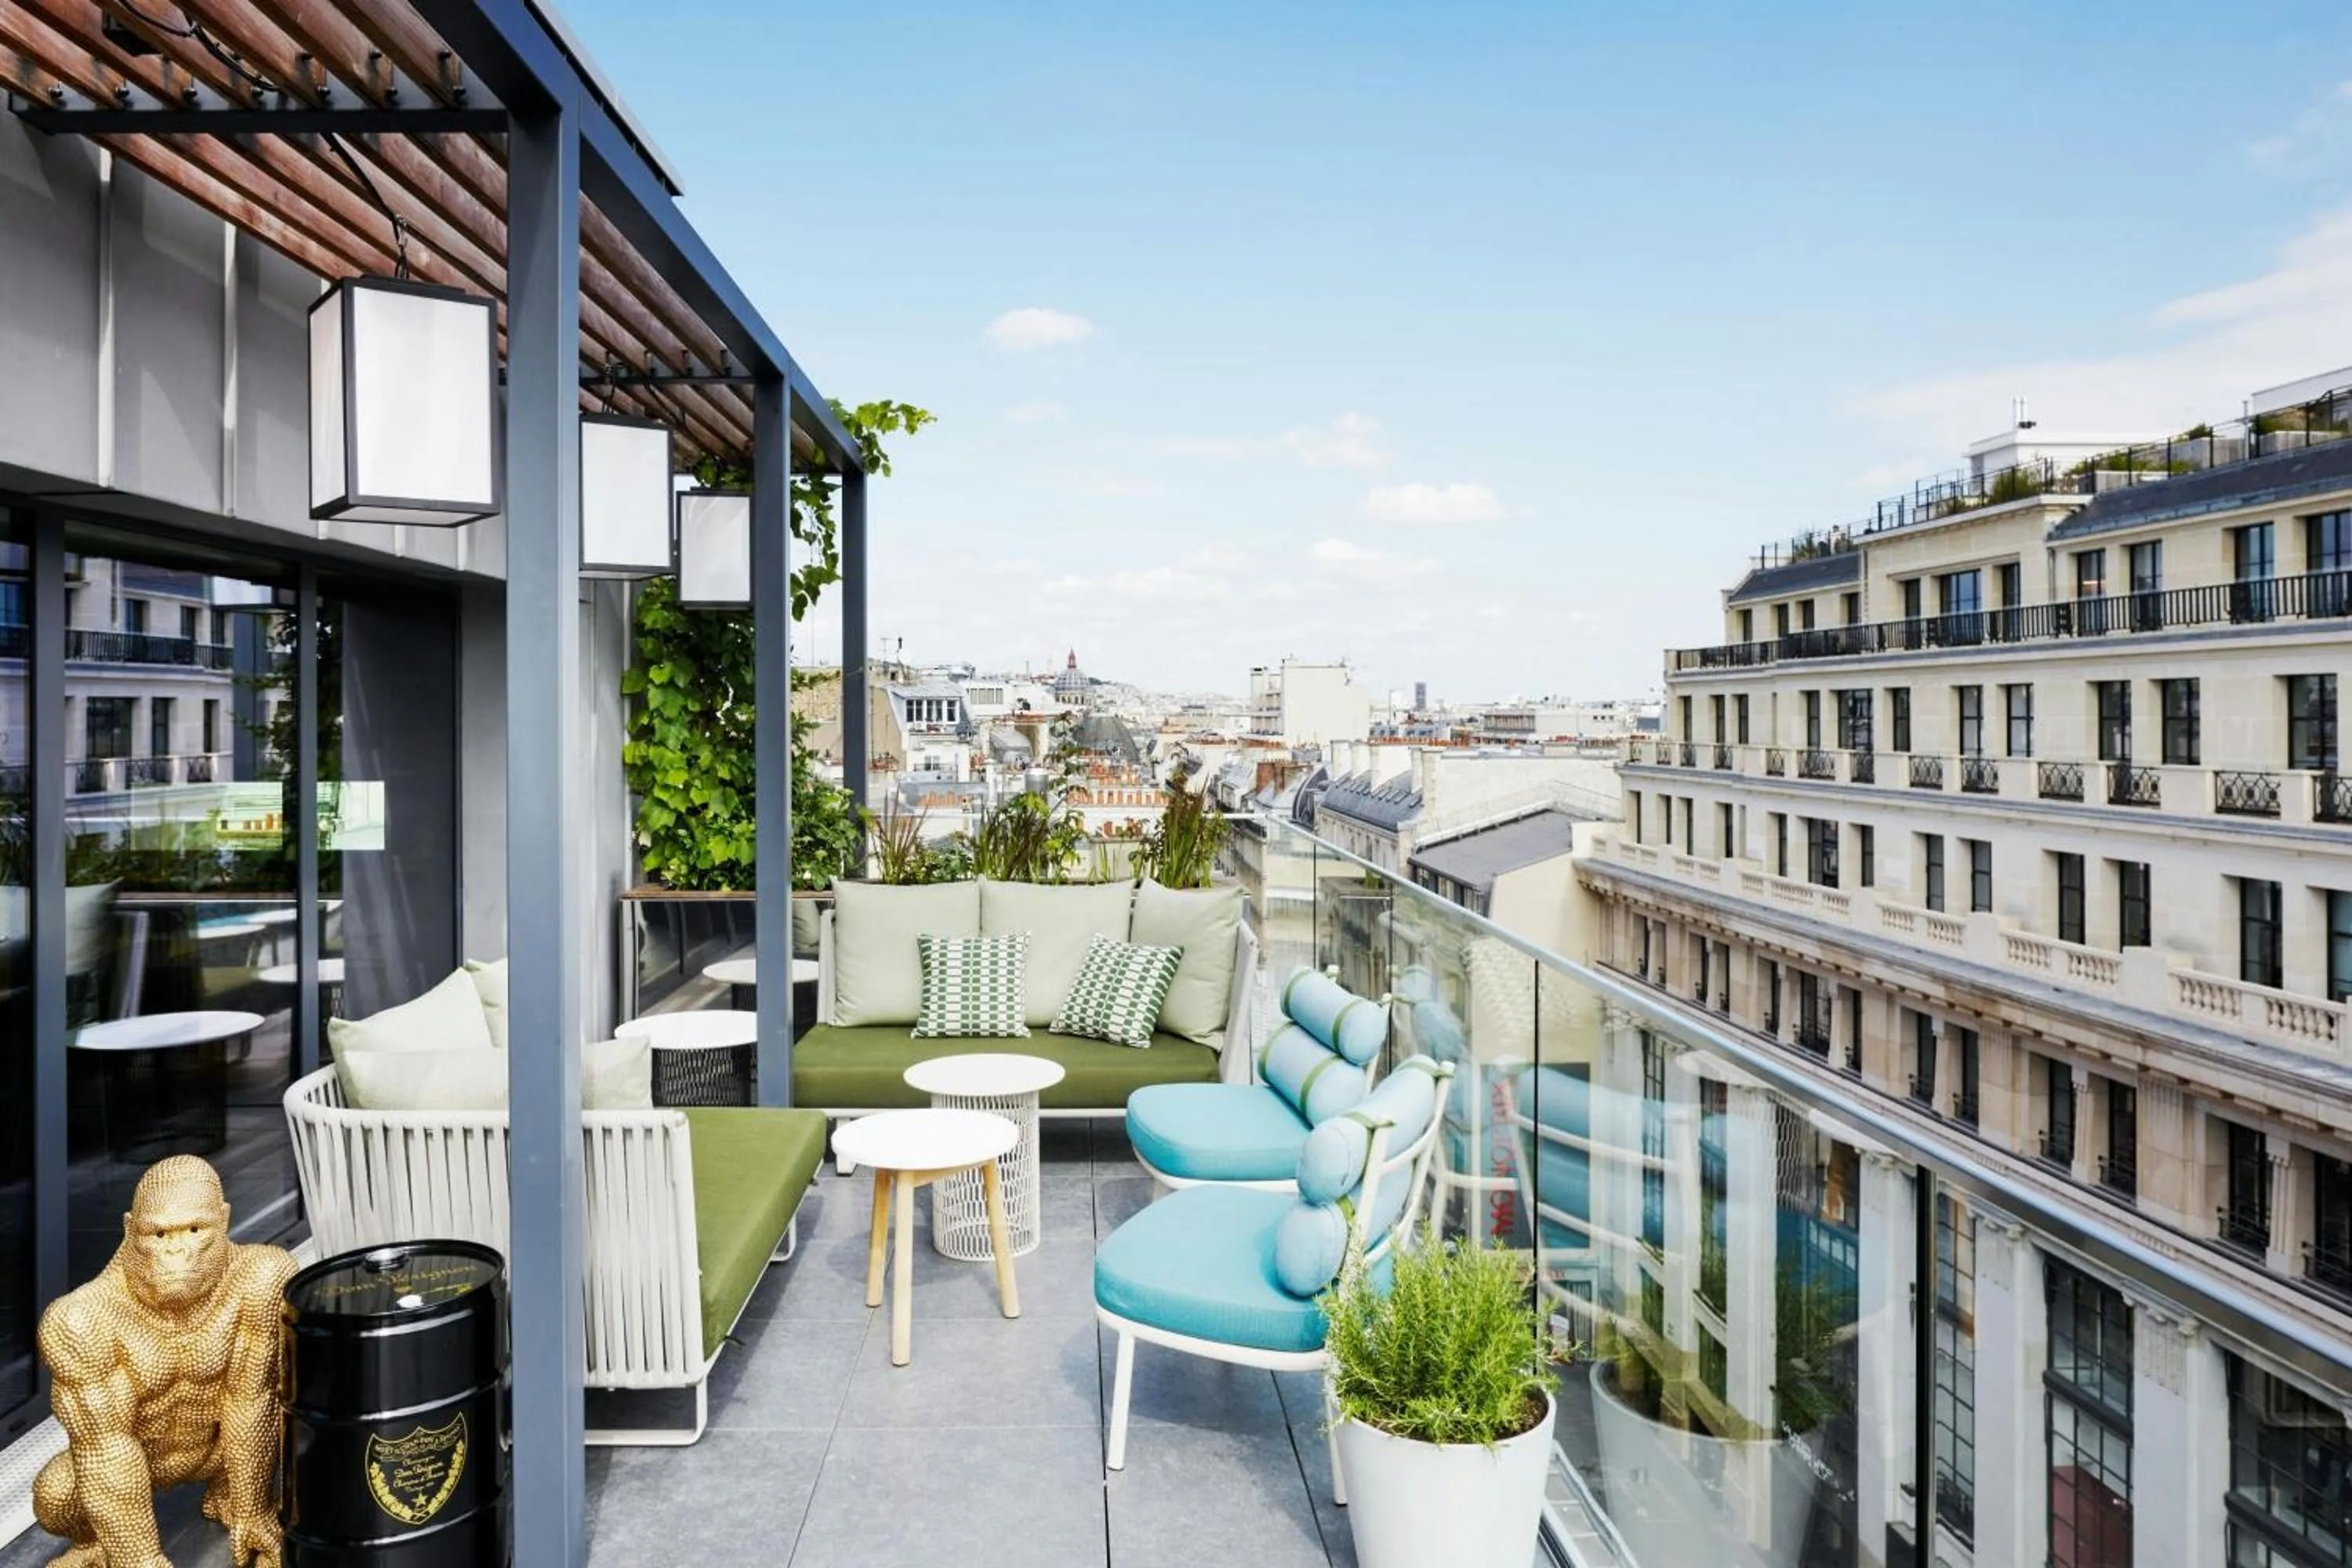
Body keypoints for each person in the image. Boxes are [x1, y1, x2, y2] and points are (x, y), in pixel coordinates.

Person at [34, 1156, 296, 1568]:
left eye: (194, 1230)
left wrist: (252, 1509)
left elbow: (253, 1397)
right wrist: (140, 1560)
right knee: (56, 1496)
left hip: (222, 1447)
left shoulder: (261, 1276)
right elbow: (107, 1450)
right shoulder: (81, 1319)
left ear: (223, 1220)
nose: (176, 1251)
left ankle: (238, 1500)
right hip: (145, 1459)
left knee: (296, 1408)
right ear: (129, 1230)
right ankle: (100, 1541)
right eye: (158, 1234)